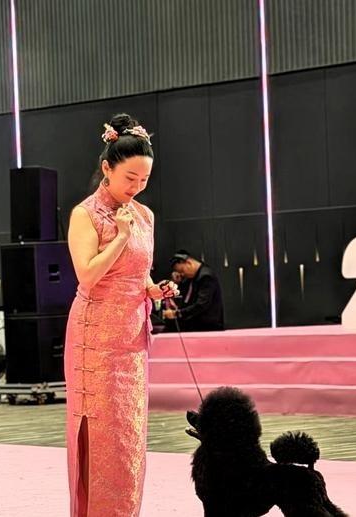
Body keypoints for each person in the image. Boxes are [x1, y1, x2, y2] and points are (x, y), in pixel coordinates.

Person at [64, 113, 177, 517]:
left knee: (129, 435)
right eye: (130, 178)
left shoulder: (145, 215)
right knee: (103, 434)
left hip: (131, 338)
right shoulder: (86, 214)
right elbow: (88, 275)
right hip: (95, 339)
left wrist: (154, 288)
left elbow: (138, 273)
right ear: (107, 168)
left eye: (144, 179)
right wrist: (121, 236)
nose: (137, 187)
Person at [163, 250, 225, 331]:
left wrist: (177, 313)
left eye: (182, 271)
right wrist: (178, 282)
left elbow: (201, 305)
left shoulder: (206, 277)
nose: (182, 274)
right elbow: (185, 299)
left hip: (207, 327)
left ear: (189, 263)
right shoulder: (193, 277)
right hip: (196, 324)